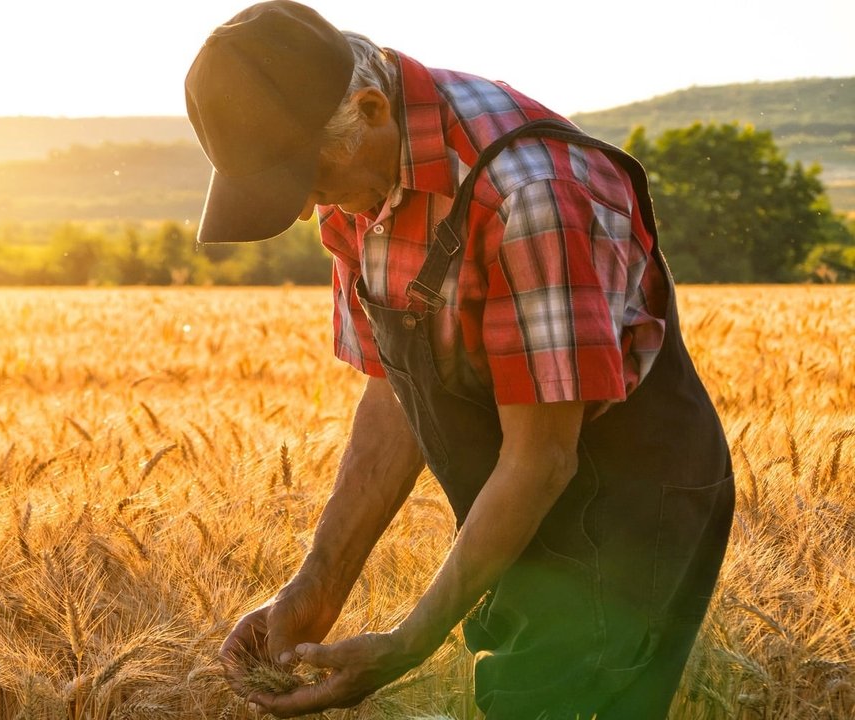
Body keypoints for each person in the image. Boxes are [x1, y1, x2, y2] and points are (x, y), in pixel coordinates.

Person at [183, 2, 735, 718]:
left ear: (372, 108)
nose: (300, 212)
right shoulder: (359, 168)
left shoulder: (531, 196)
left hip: (623, 509)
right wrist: (314, 587)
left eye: (306, 182)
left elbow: (542, 458)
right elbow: (395, 395)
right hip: (511, 503)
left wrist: (409, 644)